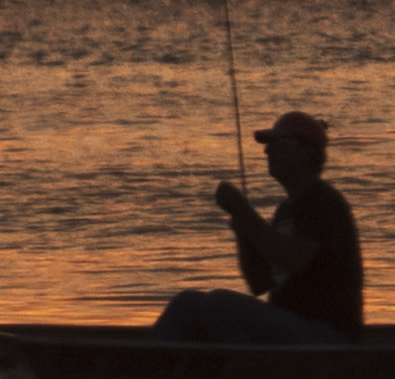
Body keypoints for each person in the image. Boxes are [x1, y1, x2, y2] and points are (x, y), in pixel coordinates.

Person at [155, 109, 370, 343]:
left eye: (279, 143)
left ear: (306, 152)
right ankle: (148, 366)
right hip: (289, 327)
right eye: (268, 144)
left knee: (219, 304)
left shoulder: (323, 202)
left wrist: (245, 214)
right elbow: (259, 284)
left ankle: (246, 372)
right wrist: (243, 229)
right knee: (187, 303)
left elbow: (293, 260)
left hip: (326, 335)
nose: (267, 151)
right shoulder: (285, 210)